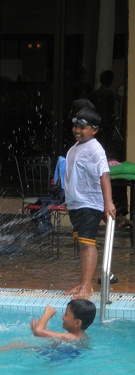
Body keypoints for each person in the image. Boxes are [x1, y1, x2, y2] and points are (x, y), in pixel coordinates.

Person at [64, 107, 116, 299]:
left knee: (87, 244)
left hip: (89, 203)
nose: (77, 130)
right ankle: (83, 283)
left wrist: (108, 202)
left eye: (82, 127)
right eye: (75, 126)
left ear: (94, 130)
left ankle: (87, 286)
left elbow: (104, 175)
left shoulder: (95, 149)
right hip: (76, 203)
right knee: (83, 244)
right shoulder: (74, 148)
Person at [30, 301, 96, 342]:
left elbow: (38, 331)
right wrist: (43, 332)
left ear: (77, 323)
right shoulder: (80, 336)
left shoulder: (73, 337)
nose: (63, 317)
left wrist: (47, 314)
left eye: (66, 314)